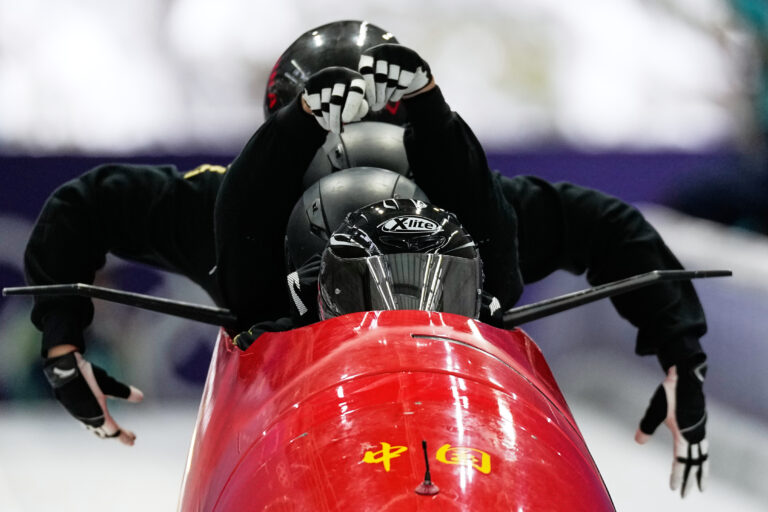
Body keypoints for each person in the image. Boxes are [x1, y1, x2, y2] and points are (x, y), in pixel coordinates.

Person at [25, 20, 707, 496]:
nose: (355, 166)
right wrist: (60, 336)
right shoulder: (225, 204)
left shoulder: (470, 196)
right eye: (326, 141)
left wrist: (681, 350)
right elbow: (88, 205)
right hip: (303, 429)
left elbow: (608, 228)